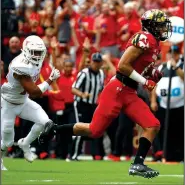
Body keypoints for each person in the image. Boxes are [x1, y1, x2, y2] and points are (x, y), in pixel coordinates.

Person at [39, 9, 172, 178]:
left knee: (152, 124)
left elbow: (140, 67)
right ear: (151, 26)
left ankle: (137, 165)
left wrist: (151, 73)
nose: (163, 29)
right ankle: (54, 129)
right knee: (94, 131)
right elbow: (122, 66)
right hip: (117, 89)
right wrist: (145, 81)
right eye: (160, 26)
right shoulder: (144, 38)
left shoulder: (154, 43)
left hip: (129, 92)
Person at [1, 35, 60, 170]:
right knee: (8, 142)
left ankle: (25, 143)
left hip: (23, 101)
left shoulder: (35, 61)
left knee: (46, 122)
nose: (37, 56)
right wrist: (50, 80)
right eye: (34, 52)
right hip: (9, 104)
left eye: (39, 52)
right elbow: (35, 92)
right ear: (26, 50)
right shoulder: (20, 65)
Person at [151, 45, 184, 162]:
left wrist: (176, 67)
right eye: (170, 53)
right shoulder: (162, 67)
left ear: (178, 55)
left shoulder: (182, 65)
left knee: (179, 131)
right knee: (165, 130)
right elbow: (155, 84)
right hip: (164, 104)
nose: (172, 55)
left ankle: (180, 156)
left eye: (174, 53)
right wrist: (153, 100)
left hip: (180, 105)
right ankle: (166, 155)